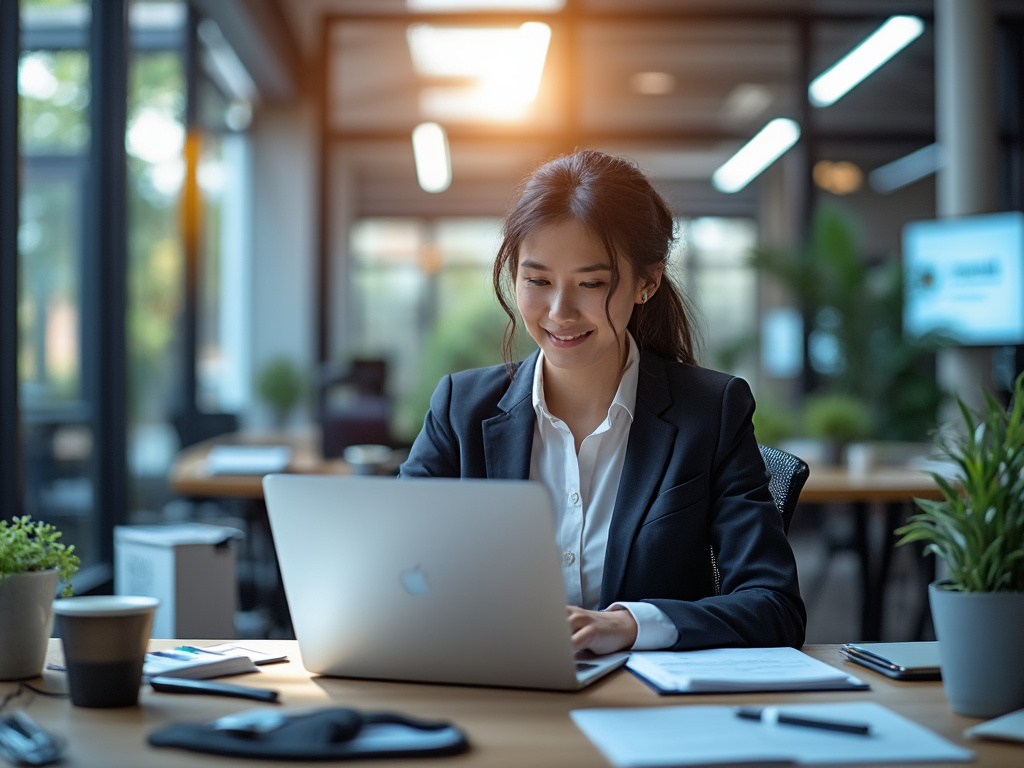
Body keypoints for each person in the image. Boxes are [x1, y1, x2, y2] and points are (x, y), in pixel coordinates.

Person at [399, 149, 806, 655]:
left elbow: (774, 607)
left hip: (643, 712)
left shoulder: (711, 412)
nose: (559, 311)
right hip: (494, 693)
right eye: (538, 281)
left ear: (647, 283)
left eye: (591, 283)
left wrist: (632, 625)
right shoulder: (461, 408)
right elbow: (395, 575)